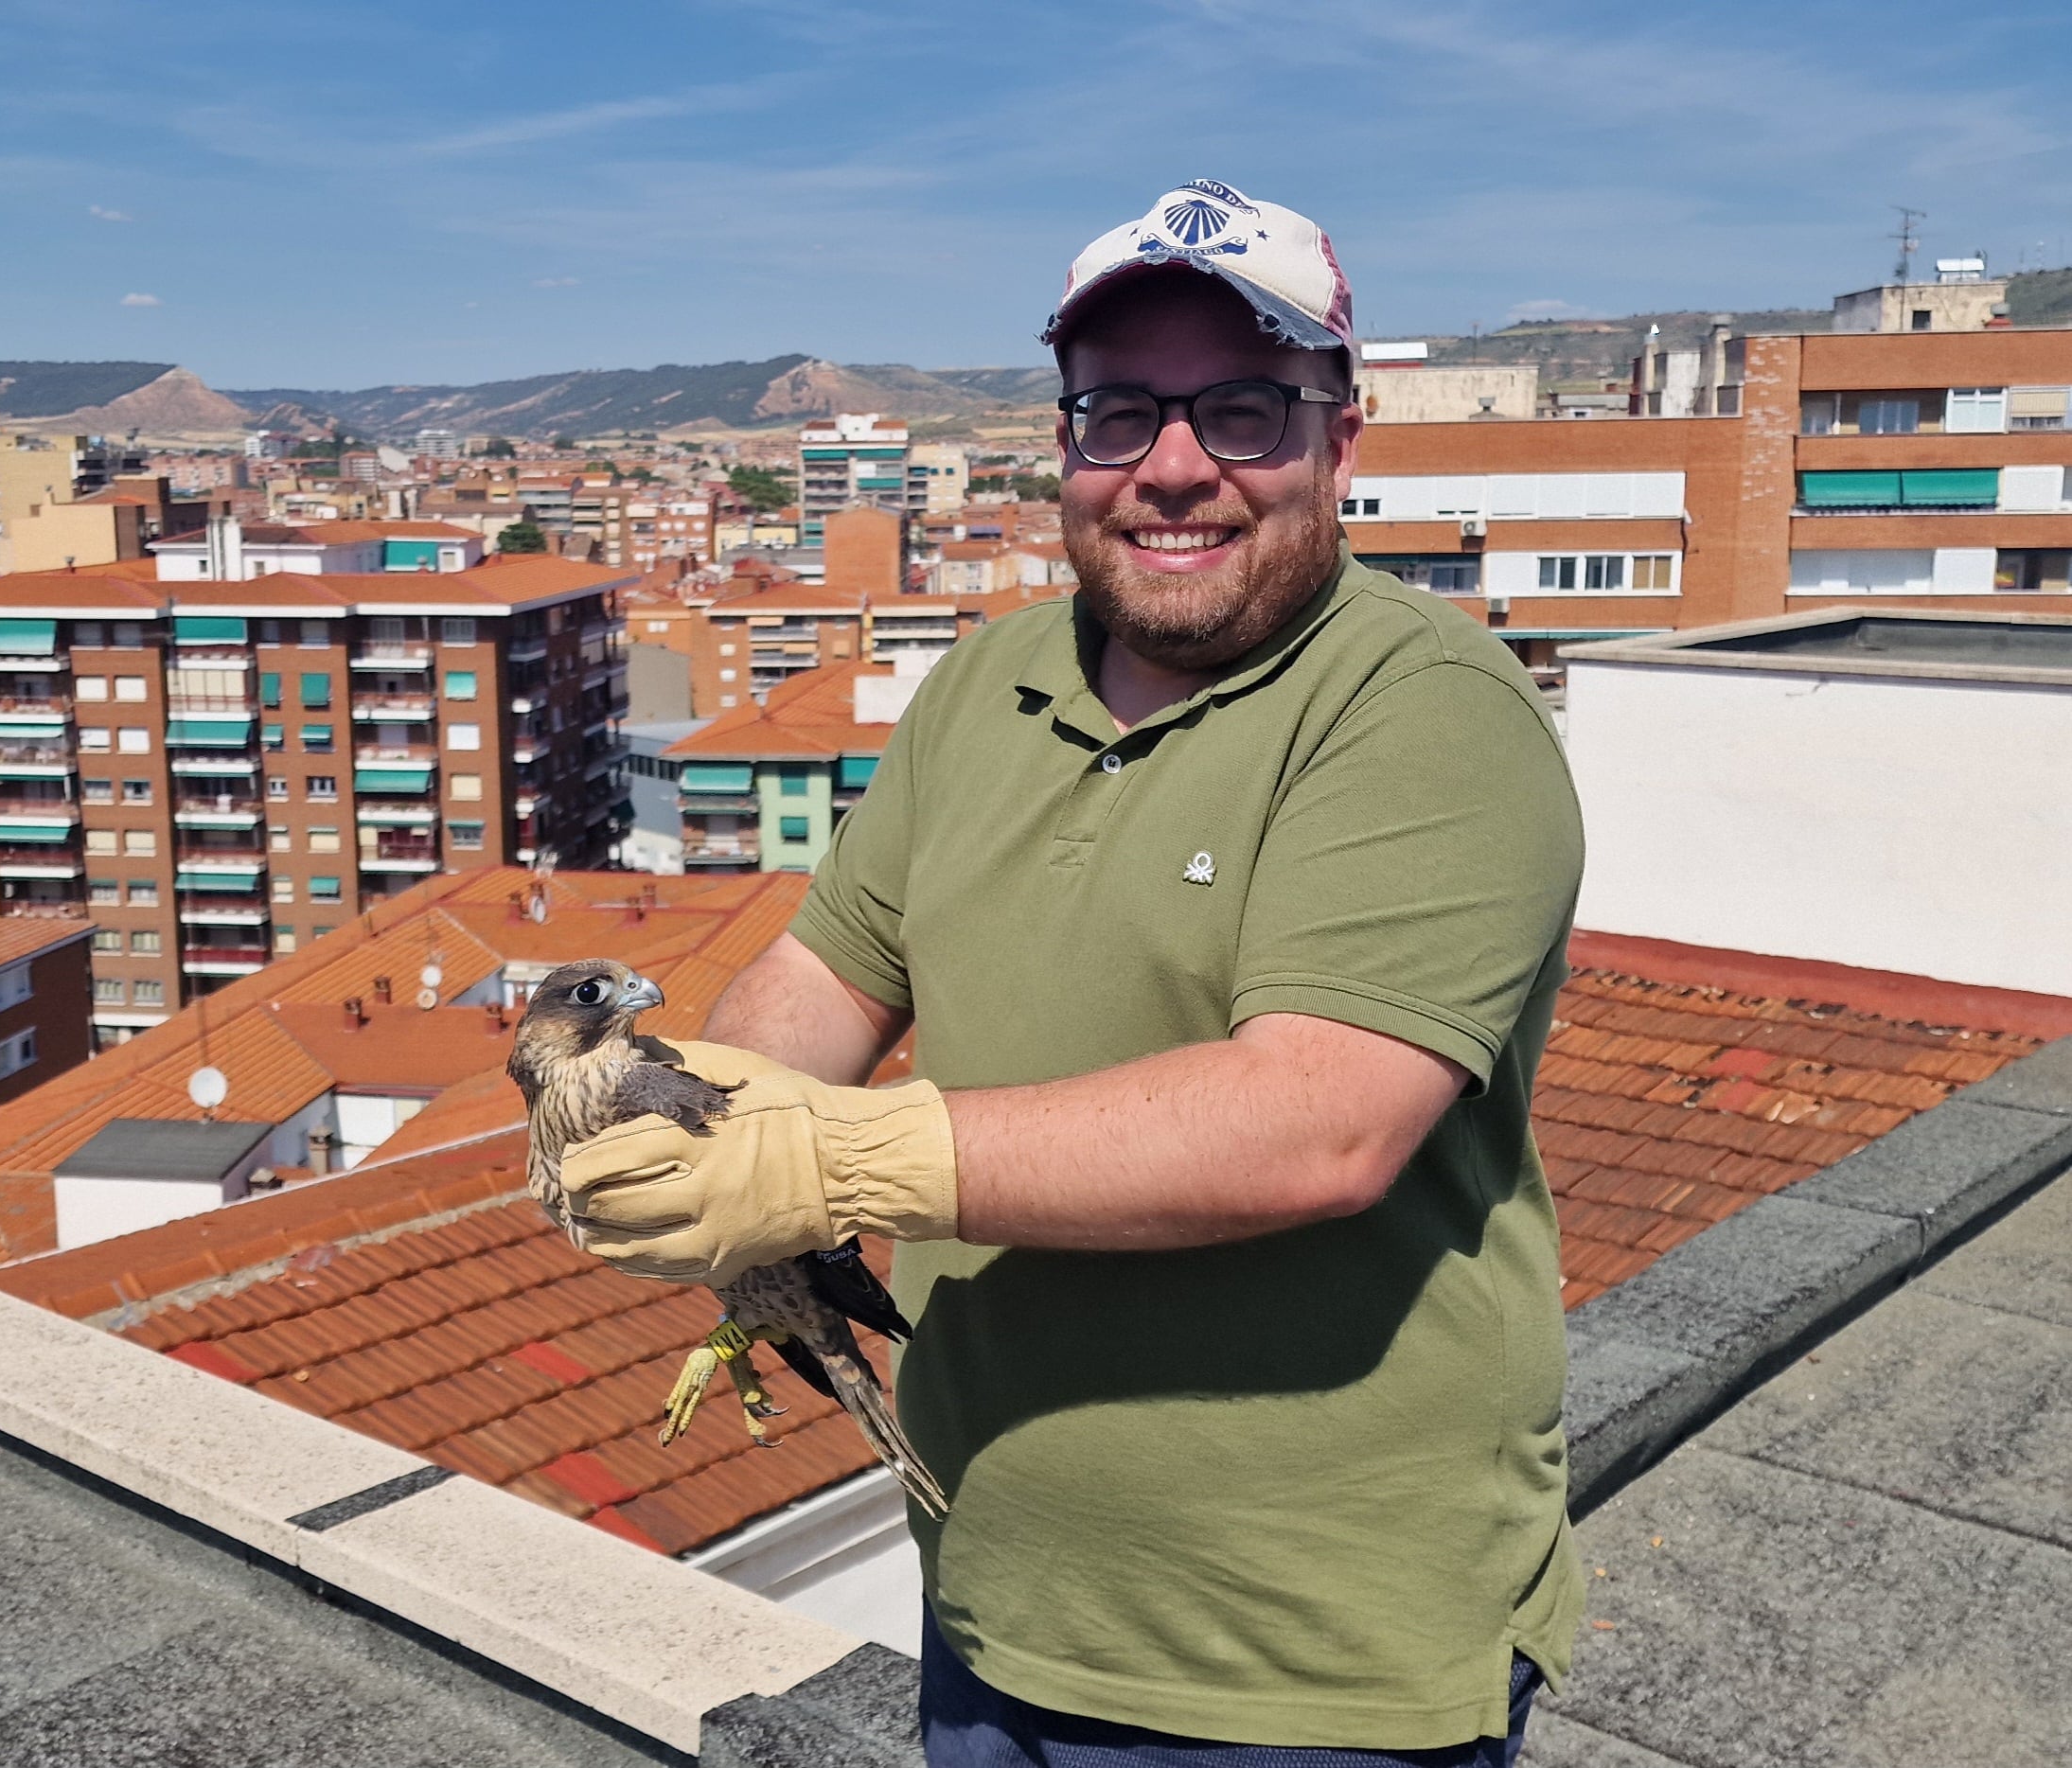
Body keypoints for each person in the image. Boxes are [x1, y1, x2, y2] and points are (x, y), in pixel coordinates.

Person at [558, 180, 1585, 1765]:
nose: (1172, 468)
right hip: (988, 1594)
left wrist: (839, 1158)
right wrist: (675, 1125)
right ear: (1062, 443)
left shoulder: (1423, 706)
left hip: (1304, 1666)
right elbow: (824, 977)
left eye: (1241, 409)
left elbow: (1318, 1121)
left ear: (1341, 443)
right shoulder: (987, 682)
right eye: (1117, 415)